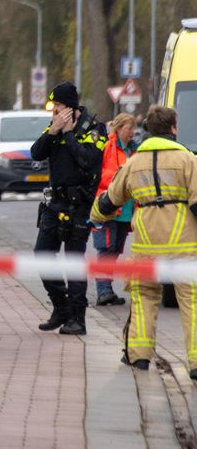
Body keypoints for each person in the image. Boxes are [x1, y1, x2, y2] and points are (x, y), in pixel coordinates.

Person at [91, 106, 197, 376]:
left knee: (144, 297)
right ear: (173, 128)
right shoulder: (187, 160)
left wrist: (94, 216)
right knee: (191, 300)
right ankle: (196, 363)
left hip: (146, 243)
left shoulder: (134, 162)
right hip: (183, 243)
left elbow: (111, 198)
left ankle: (139, 357)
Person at [31, 81, 106, 336]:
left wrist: (68, 134)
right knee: (42, 254)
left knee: (74, 261)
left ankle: (77, 317)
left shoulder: (94, 129)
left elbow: (87, 159)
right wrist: (52, 132)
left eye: (58, 108)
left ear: (72, 109)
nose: (54, 114)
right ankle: (60, 306)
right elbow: (36, 153)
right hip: (54, 203)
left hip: (79, 205)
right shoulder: (54, 127)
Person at [93, 112, 136, 306]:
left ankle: (107, 289)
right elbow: (97, 175)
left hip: (126, 209)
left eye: (134, 128)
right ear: (118, 129)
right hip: (107, 207)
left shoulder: (135, 150)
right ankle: (103, 291)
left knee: (116, 250)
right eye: (129, 128)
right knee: (105, 249)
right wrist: (118, 176)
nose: (132, 133)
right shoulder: (106, 147)